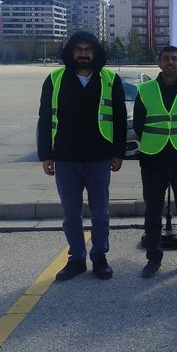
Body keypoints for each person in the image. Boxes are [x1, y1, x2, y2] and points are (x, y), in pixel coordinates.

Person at [37, 31, 126, 281]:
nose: (84, 53)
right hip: (65, 159)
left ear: (95, 52)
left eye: (88, 49)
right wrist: (46, 154)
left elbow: (119, 118)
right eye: (79, 49)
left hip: (99, 158)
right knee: (71, 215)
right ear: (71, 52)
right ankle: (76, 258)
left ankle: (99, 257)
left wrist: (118, 152)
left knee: (100, 213)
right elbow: (45, 119)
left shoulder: (110, 79)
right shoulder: (54, 79)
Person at [135, 46, 177, 278]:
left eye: (175, 59)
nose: (170, 62)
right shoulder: (145, 90)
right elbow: (138, 124)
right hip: (153, 158)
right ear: (159, 63)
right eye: (166, 59)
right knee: (153, 211)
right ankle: (153, 259)